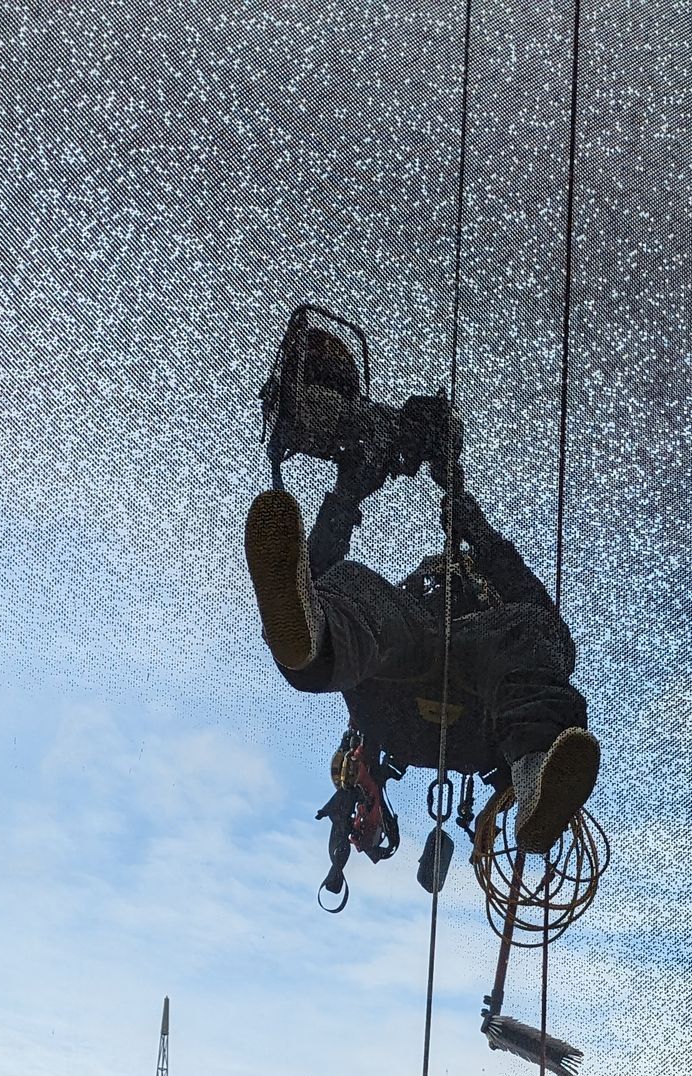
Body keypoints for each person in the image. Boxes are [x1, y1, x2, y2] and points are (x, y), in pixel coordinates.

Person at [244, 329, 599, 862]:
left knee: (517, 626)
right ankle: (311, 639)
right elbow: (305, 579)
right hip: (467, 720)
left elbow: (542, 623)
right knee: (354, 589)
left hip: (410, 710)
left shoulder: (458, 604)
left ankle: (534, 778)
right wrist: (356, 486)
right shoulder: (441, 608)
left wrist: (453, 502)